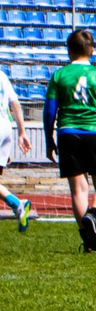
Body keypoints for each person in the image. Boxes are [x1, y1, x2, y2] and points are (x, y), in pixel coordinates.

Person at [43, 29, 96, 254]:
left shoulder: (59, 76)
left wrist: (49, 140)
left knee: (78, 189)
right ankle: (93, 215)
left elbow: (49, 112)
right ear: (92, 50)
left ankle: (88, 242)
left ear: (68, 50)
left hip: (68, 133)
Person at [0, 65, 32, 232]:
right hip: (6, 128)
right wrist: (22, 132)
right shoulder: (2, 75)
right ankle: (18, 205)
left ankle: (17, 204)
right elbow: (15, 104)